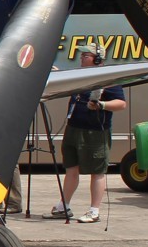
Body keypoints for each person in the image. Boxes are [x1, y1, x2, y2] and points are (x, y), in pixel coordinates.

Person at [51, 46, 125, 223]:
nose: (81, 58)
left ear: (98, 59)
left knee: (97, 172)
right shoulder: (80, 75)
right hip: (73, 128)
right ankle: (64, 205)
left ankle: (94, 211)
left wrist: (101, 105)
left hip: (95, 132)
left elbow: (121, 104)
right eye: (82, 55)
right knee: (71, 169)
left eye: (86, 55)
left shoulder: (108, 78)